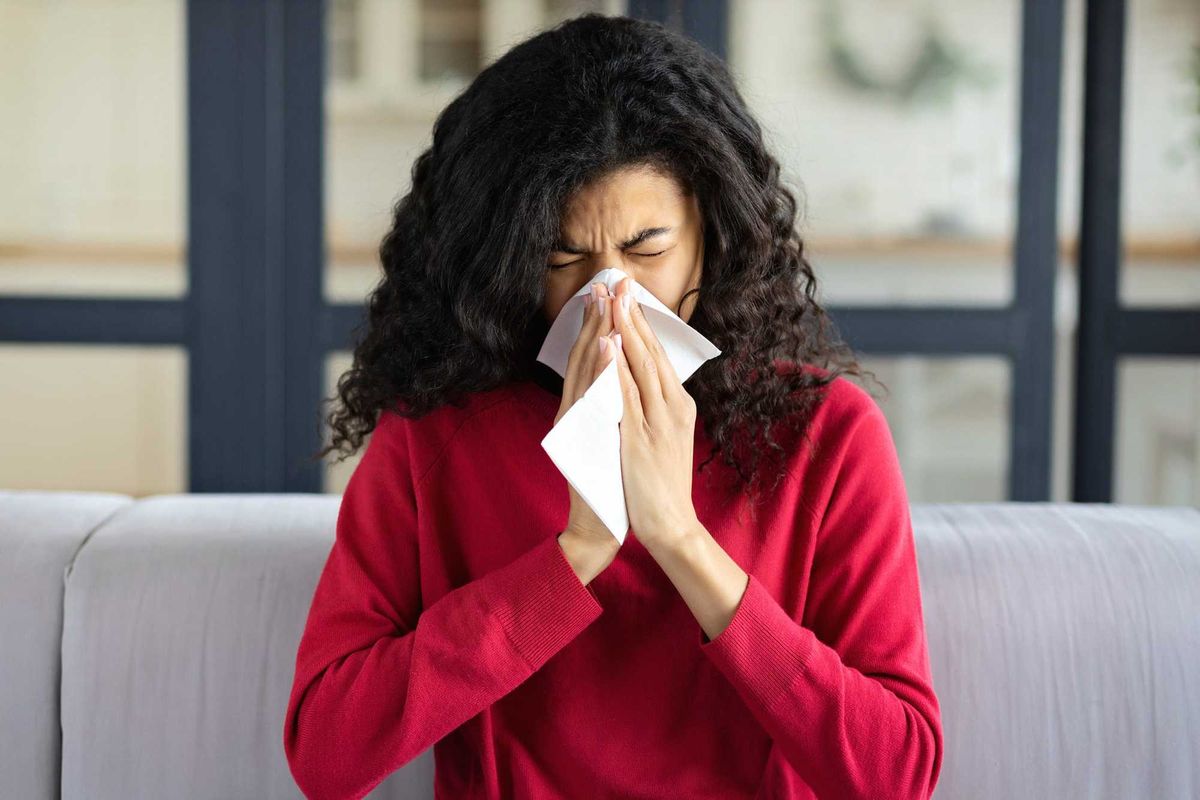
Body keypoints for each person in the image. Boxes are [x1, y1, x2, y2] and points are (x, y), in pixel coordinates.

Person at [283, 13, 943, 800]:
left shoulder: (827, 434)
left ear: (714, 235)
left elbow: (897, 773)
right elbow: (326, 753)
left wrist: (679, 538)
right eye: (564, 258)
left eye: (647, 249)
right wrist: (578, 552)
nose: (610, 298)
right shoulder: (434, 433)